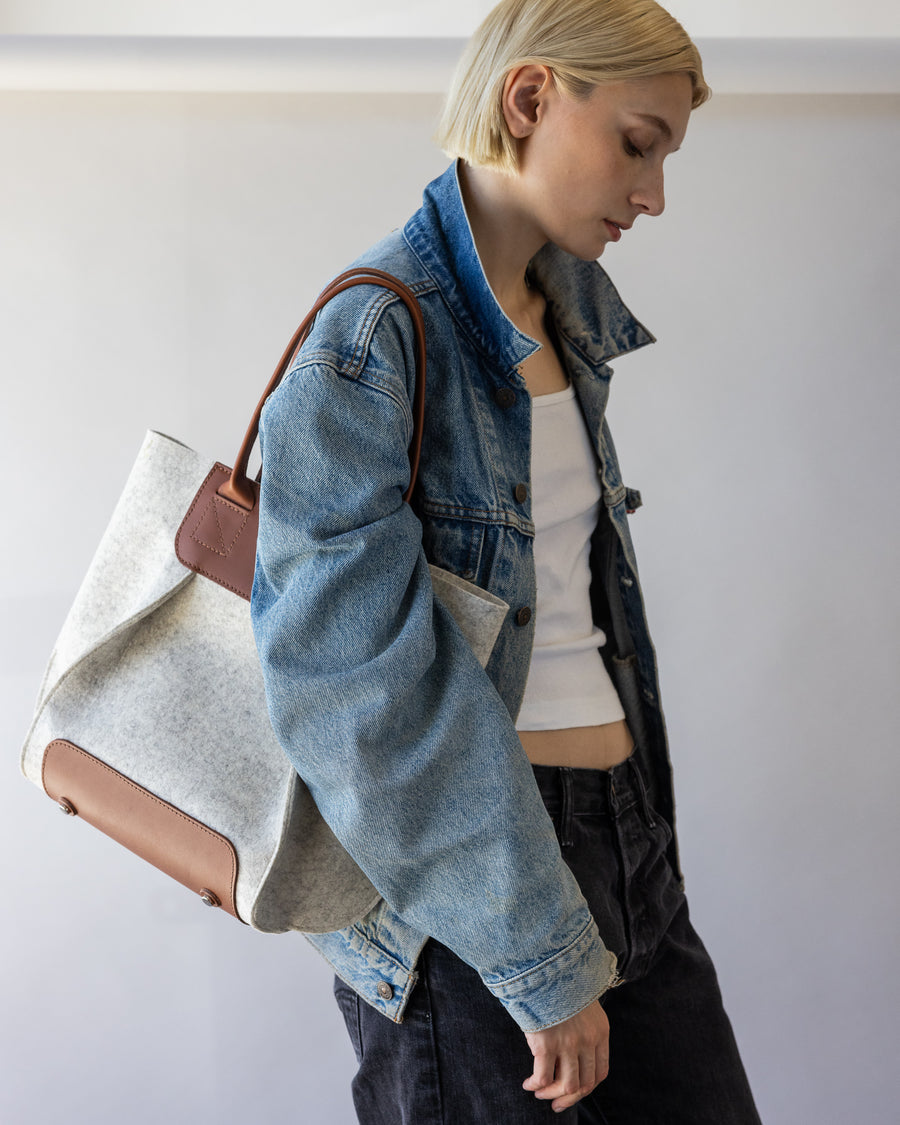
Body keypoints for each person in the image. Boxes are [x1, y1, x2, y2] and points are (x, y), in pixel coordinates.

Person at [251, 0, 762, 1121]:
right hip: (473, 883)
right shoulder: (373, 341)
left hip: (628, 848)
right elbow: (358, 698)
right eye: (638, 144)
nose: (654, 195)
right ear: (529, 99)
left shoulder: (563, 316)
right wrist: (532, 954)